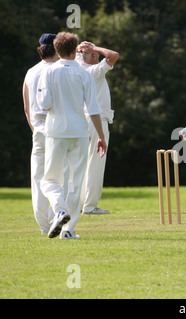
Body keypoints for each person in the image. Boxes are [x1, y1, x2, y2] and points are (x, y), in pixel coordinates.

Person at [37, 32, 107, 239]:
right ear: (75, 49)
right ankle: (68, 230)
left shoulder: (48, 72)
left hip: (56, 132)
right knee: (76, 183)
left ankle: (60, 209)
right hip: (80, 132)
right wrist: (101, 137)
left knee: (49, 180)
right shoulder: (84, 74)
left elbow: (44, 105)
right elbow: (94, 109)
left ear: (57, 50)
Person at [75, 41, 119, 215]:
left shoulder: (77, 68)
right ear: (93, 57)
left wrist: (80, 48)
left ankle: (78, 204)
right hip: (96, 121)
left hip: (80, 122)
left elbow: (75, 54)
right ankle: (90, 206)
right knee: (95, 165)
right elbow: (113, 55)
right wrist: (95, 48)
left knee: (81, 165)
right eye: (96, 56)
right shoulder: (94, 72)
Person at [22, 33, 59, 234]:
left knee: (38, 178)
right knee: (59, 175)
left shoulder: (30, 71)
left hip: (38, 129)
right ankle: (58, 216)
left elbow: (27, 107)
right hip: (56, 127)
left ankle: (44, 226)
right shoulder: (57, 70)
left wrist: (35, 129)